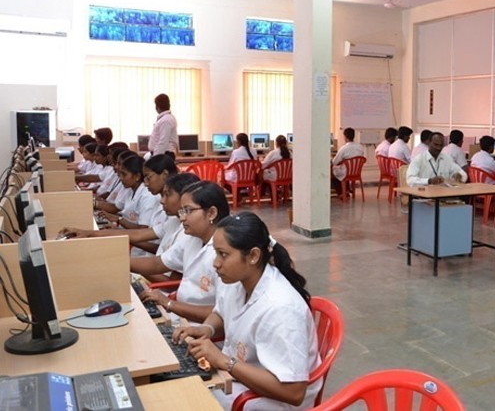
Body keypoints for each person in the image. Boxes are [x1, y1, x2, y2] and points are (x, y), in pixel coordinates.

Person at [173, 212, 320, 409]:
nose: (215, 263)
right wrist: (207, 329)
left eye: (223, 254)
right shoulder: (237, 280)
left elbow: (293, 392)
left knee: (191, 399)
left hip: (276, 401)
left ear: (253, 256)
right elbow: (221, 312)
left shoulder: (280, 308)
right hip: (243, 379)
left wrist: (226, 362)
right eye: (215, 253)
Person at [64, 171, 200, 280]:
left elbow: (170, 282)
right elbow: (138, 235)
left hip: (158, 288)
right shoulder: (173, 221)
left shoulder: (190, 233)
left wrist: (117, 261)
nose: (162, 201)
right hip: (149, 275)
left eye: (167, 196)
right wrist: (89, 233)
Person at [136, 180, 230, 323]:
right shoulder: (192, 238)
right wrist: (117, 261)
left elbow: (223, 313)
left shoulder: (228, 254)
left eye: (188, 211)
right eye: (182, 211)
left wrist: (169, 303)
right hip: (179, 316)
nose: (182, 217)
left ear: (211, 213)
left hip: (201, 331)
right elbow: (157, 263)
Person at [331, 127, 365, 195]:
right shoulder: (360, 147)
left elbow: (335, 162)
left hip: (345, 172)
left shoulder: (344, 148)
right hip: (356, 172)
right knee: (341, 170)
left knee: (331, 171)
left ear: (345, 137)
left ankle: (341, 193)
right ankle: (347, 190)